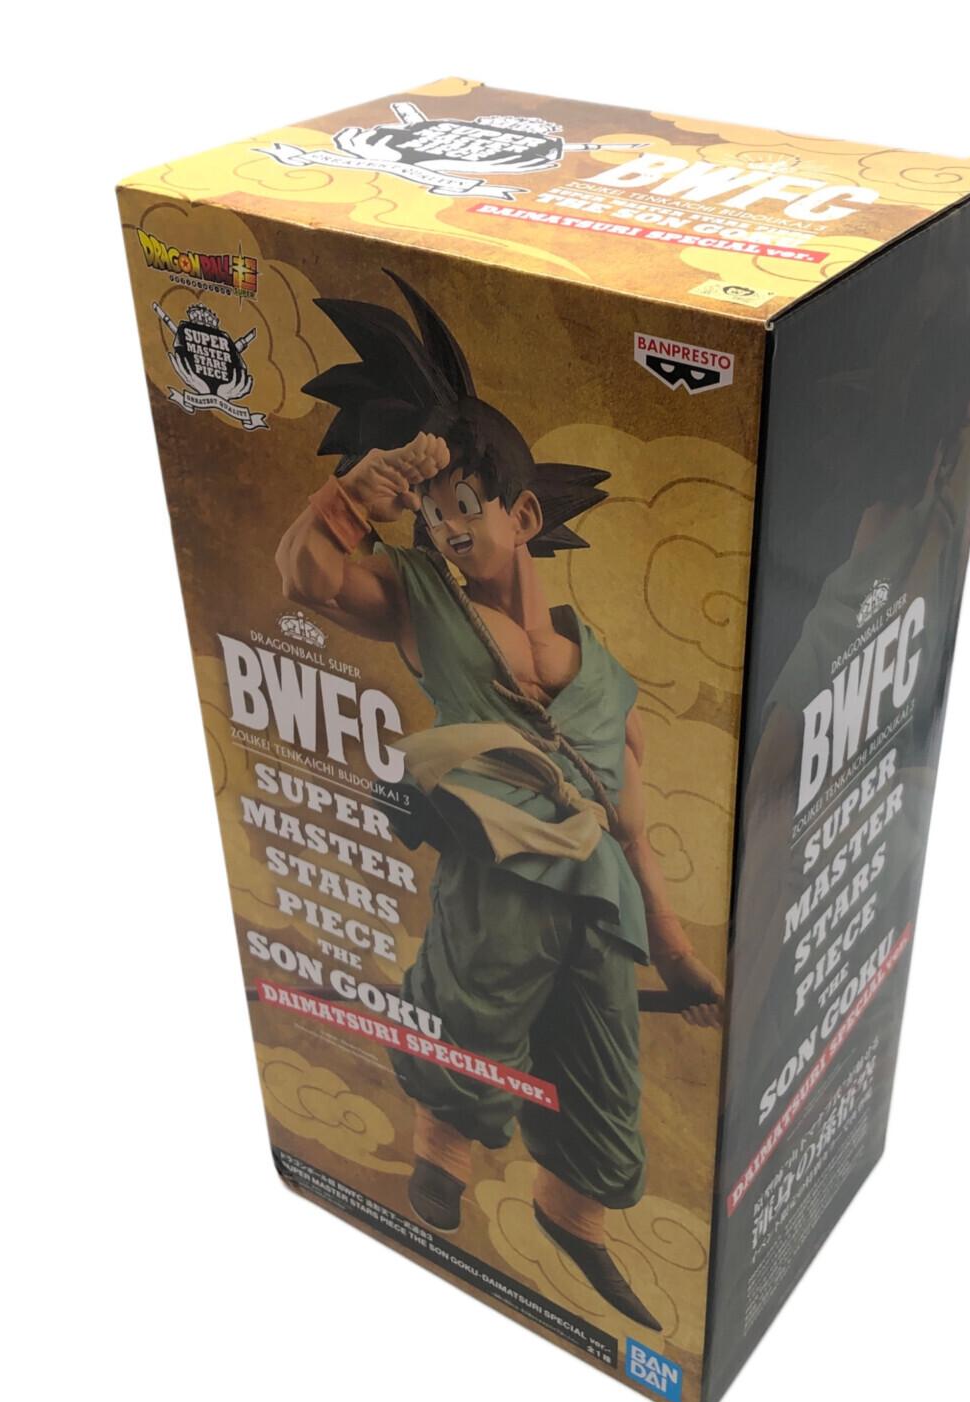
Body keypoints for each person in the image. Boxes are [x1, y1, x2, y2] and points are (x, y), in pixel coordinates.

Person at [275, 272, 722, 1329]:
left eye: (462, 509)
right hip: (499, 872)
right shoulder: (422, 600)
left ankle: (575, 1219)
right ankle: (443, 1158)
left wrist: (673, 950)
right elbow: (309, 579)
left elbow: (631, 826)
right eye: (433, 515)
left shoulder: (604, 673)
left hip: (600, 906)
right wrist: (357, 497)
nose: (444, 530)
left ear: (522, 514)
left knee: (602, 1067)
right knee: (473, 1013)